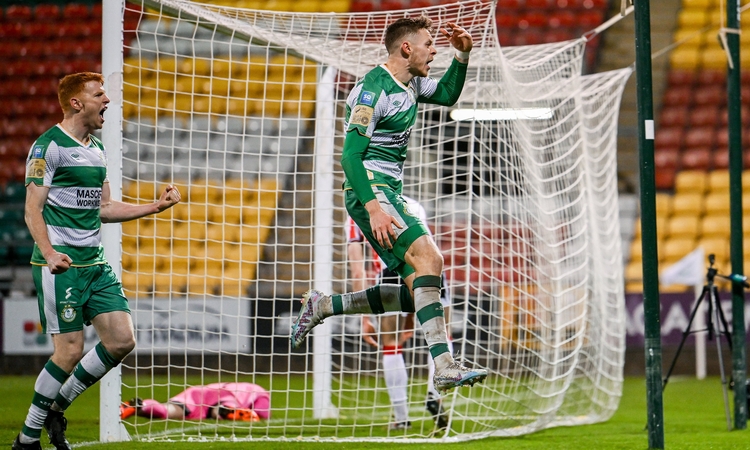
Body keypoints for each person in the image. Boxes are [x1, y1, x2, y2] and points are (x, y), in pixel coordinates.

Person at [291, 16, 487, 394]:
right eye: (429, 44)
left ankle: (325, 306)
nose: (434, 51)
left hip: (390, 190)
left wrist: (462, 58)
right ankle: (445, 367)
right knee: (431, 261)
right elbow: (350, 157)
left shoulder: (410, 84)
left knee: (419, 292)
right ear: (407, 48)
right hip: (371, 189)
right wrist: (374, 207)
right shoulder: (372, 91)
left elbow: (446, 94)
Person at [12, 72, 181, 450]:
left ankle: (57, 407)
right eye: (99, 94)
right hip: (62, 267)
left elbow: (103, 208)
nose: (107, 100)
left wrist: (154, 206)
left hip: (95, 266)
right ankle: (26, 439)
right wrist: (51, 252)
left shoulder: (96, 148)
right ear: (76, 102)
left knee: (122, 341)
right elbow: (32, 211)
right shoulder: (47, 148)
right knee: (69, 351)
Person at [346, 196, 450, 431]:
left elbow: (357, 268)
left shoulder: (356, 211)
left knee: (391, 343)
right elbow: (424, 249)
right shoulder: (412, 205)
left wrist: (365, 316)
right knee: (443, 334)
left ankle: (401, 417)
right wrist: (414, 317)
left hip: (390, 271)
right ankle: (435, 394)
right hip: (429, 271)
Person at [119, 382, 270, 422]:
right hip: (228, 397)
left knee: (168, 409)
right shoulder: (261, 391)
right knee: (222, 407)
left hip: (197, 392)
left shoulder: (236, 383)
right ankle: (226, 411)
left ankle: (139, 406)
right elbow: (262, 413)